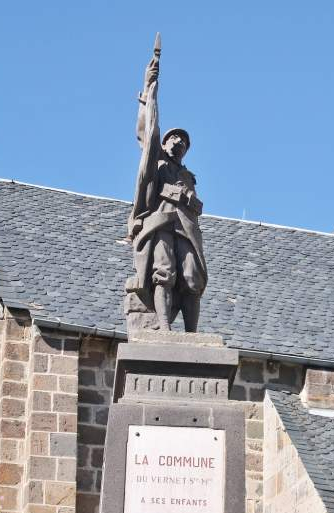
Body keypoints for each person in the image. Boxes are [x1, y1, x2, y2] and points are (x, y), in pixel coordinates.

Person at [126, 35, 207, 332]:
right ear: (165, 142)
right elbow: (147, 133)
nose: (178, 142)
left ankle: (192, 335)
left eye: (183, 141)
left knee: (192, 278)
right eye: (173, 137)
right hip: (160, 222)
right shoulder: (157, 161)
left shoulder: (188, 177)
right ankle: (163, 327)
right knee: (164, 272)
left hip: (185, 227)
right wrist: (149, 89)